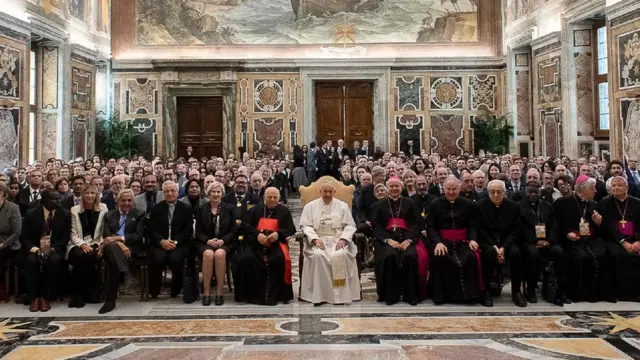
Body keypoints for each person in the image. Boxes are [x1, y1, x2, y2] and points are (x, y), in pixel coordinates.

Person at [554, 175, 614, 302]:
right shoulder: (562, 202)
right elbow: (556, 224)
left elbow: (601, 229)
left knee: (603, 253)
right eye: (592, 188)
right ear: (583, 188)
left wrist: (598, 223)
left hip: (590, 239)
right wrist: (567, 233)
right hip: (571, 241)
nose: (595, 191)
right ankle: (578, 294)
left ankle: (599, 293)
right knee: (581, 257)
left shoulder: (593, 204)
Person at [299, 181, 360, 305]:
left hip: (338, 240)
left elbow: (350, 225)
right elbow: (305, 225)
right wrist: (314, 239)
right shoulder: (310, 206)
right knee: (318, 256)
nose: (327, 194)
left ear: (334, 192)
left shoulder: (343, 206)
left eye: (330, 192)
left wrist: (344, 239)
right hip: (318, 240)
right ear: (320, 191)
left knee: (339, 256)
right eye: (325, 191)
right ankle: (320, 295)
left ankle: (340, 295)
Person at [233, 187, 296, 305]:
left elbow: (290, 229)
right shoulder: (255, 210)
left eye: (275, 197)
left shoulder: (284, 211)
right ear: (264, 197)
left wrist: (278, 234)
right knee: (246, 259)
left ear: (279, 198)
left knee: (279, 259)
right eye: (269, 197)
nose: (272, 200)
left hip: (275, 244)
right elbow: (244, 226)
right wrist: (257, 235)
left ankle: (277, 295)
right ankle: (251, 295)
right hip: (255, 243)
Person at [427, 176, 483, 305]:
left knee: (470, 257)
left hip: (463, 241)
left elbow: (472, 226)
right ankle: (443, 296)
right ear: (443, 189)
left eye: (454, 189)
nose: (451, 192)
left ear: (459, 189)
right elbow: (430, 227)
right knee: (441, 257)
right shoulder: (435, 205)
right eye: (448, 189)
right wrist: (437, 242)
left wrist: (473, 240)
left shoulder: (468, 204)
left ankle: (469, 295)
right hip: (443, 241)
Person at [371, 177, 423, 305]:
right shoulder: (379, 205)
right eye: (392, 186)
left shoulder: (410, 203)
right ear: (387, 188)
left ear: (402, 188)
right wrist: (388, 240)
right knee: (389, 256)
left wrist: (409, 240)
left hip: (406, 239)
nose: (394, 189)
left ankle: (410, 295)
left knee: (410, 256)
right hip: (387, 240)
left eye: (397, 186)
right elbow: (376, 226)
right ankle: (391, 296)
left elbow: (416, 224)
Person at [519, 182, 569, 306]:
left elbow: (554, 224)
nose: (533, 195)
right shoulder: (519, 206)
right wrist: (536, 241)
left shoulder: (547, 206)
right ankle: (531, 290)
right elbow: (521, 228)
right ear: (526, 194)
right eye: (530, 192)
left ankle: (561, 290)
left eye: (535, 192)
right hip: (529, 242)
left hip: (548, 241)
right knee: (533, 254)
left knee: (559, 252)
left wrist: (549, 240)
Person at [476, 180, 525, 307]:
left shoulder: (514, 207)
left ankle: (516, 291)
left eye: (499, 192)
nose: (496, 195)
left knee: (516, 253)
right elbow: (480, 229)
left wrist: (503, 247)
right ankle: (486, 291)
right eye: (492, 192)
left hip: (507, 242)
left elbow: (516, 230)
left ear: (505, 193)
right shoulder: (480, 206)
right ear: (488, 192)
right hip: (488, 242)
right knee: (488, 253)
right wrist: (494, 246)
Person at [23, 190, 70, 312]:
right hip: (35, 248)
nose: (58, 201)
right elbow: (26, 237)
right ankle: (34, 297)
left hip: (55, 248)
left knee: (53, 261)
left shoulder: (64, 214)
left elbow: (65, 237)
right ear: (44, 200)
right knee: (31, 261)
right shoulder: (31, 214)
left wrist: (53, 249)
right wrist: (35, 249)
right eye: (54, 199)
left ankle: (46, 297)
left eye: (58, 198)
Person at [100, 189, 145, 314]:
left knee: (112, 264)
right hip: (114, 248)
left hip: (132, 250)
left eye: (129, 200)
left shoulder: (139, 214)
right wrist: (120, 244)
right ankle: (128, 273)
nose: (126, 203)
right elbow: (107, 236)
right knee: (112, 247)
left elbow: (138, 236)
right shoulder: (109, 215)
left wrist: (118, 239)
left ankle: (110, 300)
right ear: (117, 201)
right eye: (123, 200)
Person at [147, 181, 194, 299]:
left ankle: (176, 290)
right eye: (167, 191)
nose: (170, 193)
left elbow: (188, 230)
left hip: (178, 244)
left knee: (175, 258)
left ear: (178, 193)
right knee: (157, 258)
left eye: (173, 191)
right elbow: (150, 230)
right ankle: (154, 291)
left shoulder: (186, 208)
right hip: (159, 243)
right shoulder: (155, 208)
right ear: (163, 193)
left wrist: (175, 242)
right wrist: (161, 241)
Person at [598, 176, 640, 301]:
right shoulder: (605, 202)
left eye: (619, 185)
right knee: (618, 255)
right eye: (614, 186)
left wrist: (638, 241)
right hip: (613, 240)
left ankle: (636, 293)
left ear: (626, 187)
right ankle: (620, 293)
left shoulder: (636, 203)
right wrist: (624, 242)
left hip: (634, 239)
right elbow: (609, 226)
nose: (616, 188)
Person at [195, 182, 236, 306]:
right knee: (208, 254)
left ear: (222, 194)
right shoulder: (201, 208)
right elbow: (198, 231)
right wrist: (207, 240)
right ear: (208, 193)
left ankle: (219, 292)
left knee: (219, 254)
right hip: (205, 242)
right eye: (213, 191)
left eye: (218, 192)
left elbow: (234, 230)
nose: (216, 194)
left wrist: (223, 240)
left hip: (224, 242)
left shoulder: (229, 208)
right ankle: (206, 292)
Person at [67, 184, 108, 308]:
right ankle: (83, 292)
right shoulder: (74, 210)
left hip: (96, 242)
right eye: (87, 193)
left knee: (88, 255)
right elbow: (72, 233)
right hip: (76, 243)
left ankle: (81, 294)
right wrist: (82, 244)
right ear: (82, 195)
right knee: (80, 254)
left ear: (96, 195)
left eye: (92, 193)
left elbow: (104, 231)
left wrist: (101, 244)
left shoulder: (103, 208)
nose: (90, 196)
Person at [0, 181, 21, 281]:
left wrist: (3, 244)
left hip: (9, 242)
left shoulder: (13, 208)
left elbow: (16, 232)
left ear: (1, 193)